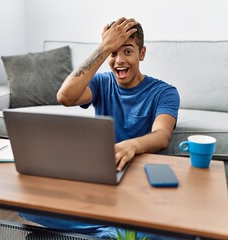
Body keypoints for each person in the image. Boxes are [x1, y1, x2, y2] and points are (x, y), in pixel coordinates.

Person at [20, 17, 180, 239]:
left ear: (142, 53)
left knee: (178, 232)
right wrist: (104, 48)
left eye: (127, 51)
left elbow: (162, 136)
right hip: (103, 179)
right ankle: (113, 231)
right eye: (114, 53)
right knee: (26, 205)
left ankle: (102, 230)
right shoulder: (102, 83)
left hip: (138, 181)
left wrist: (131, 146)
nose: (119, 60)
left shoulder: (164, 92)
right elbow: (65, 96)